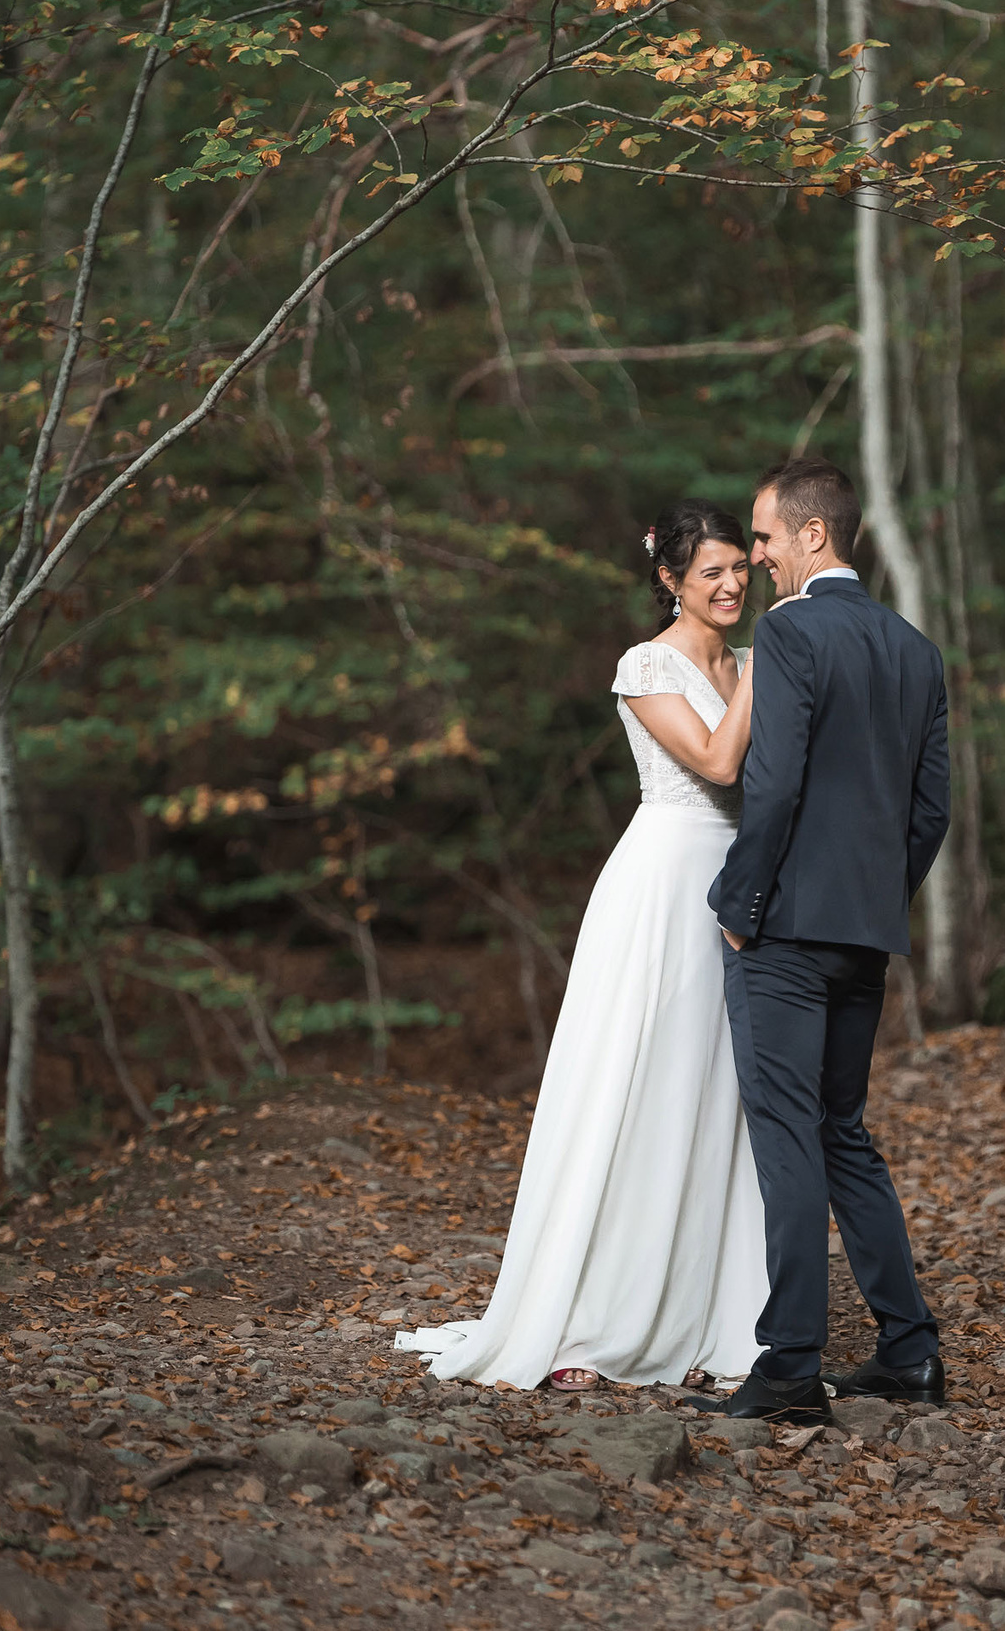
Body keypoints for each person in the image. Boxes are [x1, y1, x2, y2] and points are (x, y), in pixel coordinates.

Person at [395, 500, 768, 1392]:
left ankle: (715, 1314)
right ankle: (598, 1317)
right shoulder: (647, 664)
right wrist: (771, 668)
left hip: (747, 884)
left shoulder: (754, 659)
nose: (729, 585)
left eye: (738, 568)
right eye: (709, 571)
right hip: (665, 888)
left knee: (725, 1094)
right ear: (671, 579)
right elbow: (718, 764)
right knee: (644, 1083)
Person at [692, 457, 952, 1424]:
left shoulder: (790, 630)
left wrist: (741, 899)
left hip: (786, 931)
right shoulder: (915, 648)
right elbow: (931, 812)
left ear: (813, 535)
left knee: (792, 1142)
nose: (754, 558)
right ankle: (910, 1351)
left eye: (763, 538)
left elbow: (777, 780)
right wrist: (876, 900)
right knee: (844, 1134)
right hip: (866, 934)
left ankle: (792, 1364)